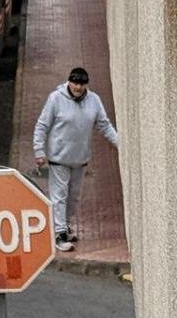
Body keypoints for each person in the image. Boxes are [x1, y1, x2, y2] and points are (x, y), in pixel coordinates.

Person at [33, 66, 119, 251]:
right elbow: (42, 125)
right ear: (69, 82)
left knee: (73, 197)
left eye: (81, 84)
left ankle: (64, 224)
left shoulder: (94, 100)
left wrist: (120, 143)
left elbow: (104, 125)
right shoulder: (56, 99)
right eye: (75, 83)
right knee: (59, 196)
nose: (78, 87)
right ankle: (60, 233)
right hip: (59, 157)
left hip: (80, 158)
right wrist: (39, 150)